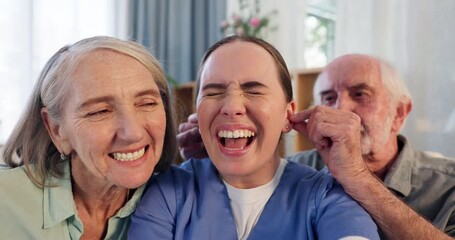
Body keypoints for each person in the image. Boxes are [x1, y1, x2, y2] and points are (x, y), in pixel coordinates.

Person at [177, 54, 455, 239]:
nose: (342, 108)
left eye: (360, 94)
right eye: (328, 97)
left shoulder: (448, 186)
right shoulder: (294, 172)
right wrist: (216, 168)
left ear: (400, 113)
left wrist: (357, 178)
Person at [128, 35, 379, 239]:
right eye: (213, 93)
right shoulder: (169, 192)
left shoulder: (326, 195)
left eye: (254, 91)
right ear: (198, 114)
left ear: (287, 115)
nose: (231, 106)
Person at [0, 36, 176, 239]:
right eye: (99, 112)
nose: (133, 133)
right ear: (57, 130)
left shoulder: (182, 202)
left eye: (147, 103)